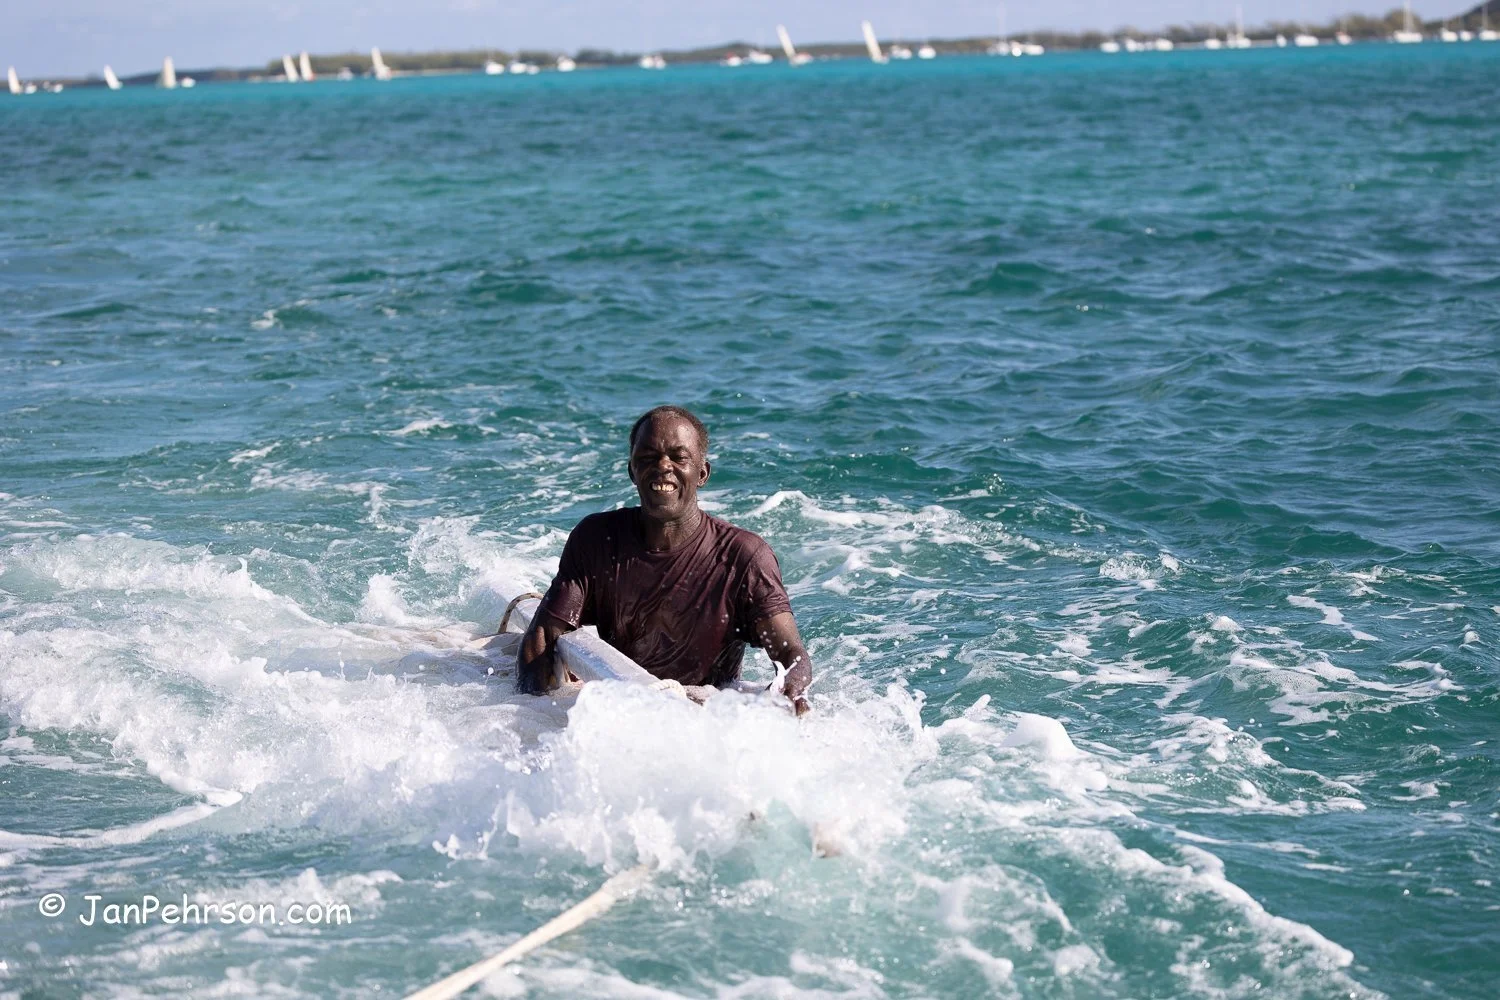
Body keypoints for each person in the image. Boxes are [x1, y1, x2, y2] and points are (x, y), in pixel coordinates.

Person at [517, 405, 813, 714]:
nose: (662, 466)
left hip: (704, 713)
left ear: (702, 473)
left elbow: (791, 654)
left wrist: (790, 693)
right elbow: (544, 635)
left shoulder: (743, 557)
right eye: (648, 457)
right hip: (621, 708)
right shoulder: (596, 539)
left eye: (678, 457)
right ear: (632, 470)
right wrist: (531, 714)